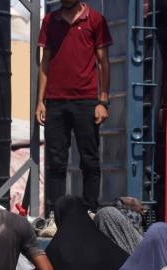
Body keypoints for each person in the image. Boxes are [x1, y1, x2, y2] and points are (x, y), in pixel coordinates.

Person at [36, 0, 112, 215]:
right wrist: (40, 101)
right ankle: (56, 214)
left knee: (89, 159)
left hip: (86, 101)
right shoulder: (50, 21)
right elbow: (45, 62)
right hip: (55, 101)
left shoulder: (95, 19)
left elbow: (103, 62)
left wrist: (103, 101)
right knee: (56, 162)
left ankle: (90, 210)